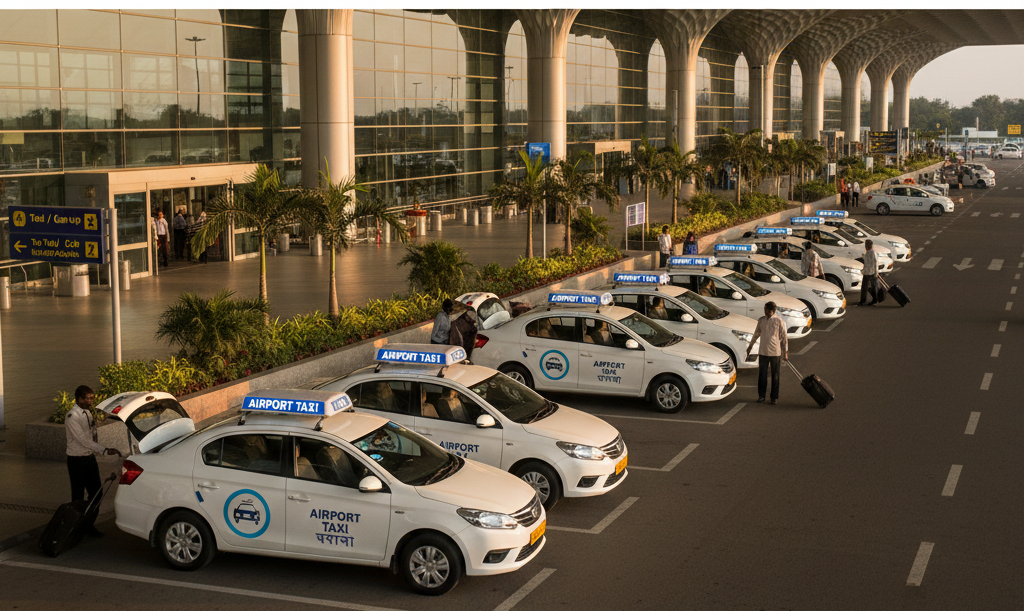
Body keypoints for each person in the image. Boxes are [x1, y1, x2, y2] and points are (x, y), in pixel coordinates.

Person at [65, 385, 120, 536]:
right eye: (87, 399)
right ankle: (75, 528)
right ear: (79, 399)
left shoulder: (88, 413)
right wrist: (104, 450)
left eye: (92, 398)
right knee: (77, 496)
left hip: (89, 459)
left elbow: (91, 435)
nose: (90, 401)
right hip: (76, 460)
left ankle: (87, 524)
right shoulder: (72, 417)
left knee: (96, 493)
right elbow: (83, 440)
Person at [746, 302, 788, 405]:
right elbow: (756, 334)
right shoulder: (761, 320)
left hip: (775, 353)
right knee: (762, 375)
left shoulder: (779, 321)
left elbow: (784, 338)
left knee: (775, 376)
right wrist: (750, 346)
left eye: (766, 310)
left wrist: (785, 353)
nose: (765, 311)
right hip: (763, 352)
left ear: (771, 311)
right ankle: (761, 396)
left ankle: (774, 397)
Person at [857, 239, 879, 306]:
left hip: (870, 272)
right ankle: (872, 299)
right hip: (869, 272)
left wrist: (876, 272)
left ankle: (865, 300)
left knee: (867, 287)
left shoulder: (871, 253)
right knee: (869, 286)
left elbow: (875, 263)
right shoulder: (870, 253)